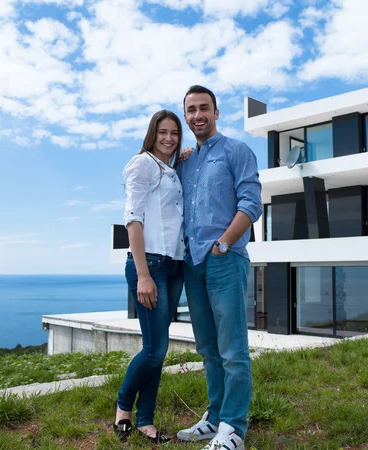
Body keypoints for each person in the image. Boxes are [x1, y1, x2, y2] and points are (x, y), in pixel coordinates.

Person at [176, 85, 262, 450]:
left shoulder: (237, 151)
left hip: (225, 259)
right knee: (208, 348)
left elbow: (252, 203)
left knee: (232, 349)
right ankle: (215, 417)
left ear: (216, 112)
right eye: (191, 110)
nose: (197, 115)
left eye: (204, 108)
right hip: (192, 263)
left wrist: (224, 244)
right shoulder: (185, 160)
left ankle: (234, 429)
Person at [113, 109, 187, 445]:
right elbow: (133, 220)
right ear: (152, 134)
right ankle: (123, 409)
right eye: (163, 132)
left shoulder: (170, 169)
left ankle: (146, 420)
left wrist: (184, 156)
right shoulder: (141, 164)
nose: (169, 138)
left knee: (157, 346)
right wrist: (143, 275)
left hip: (174, 267)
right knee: (155, 350)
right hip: (151, 266)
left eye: (174, 133)